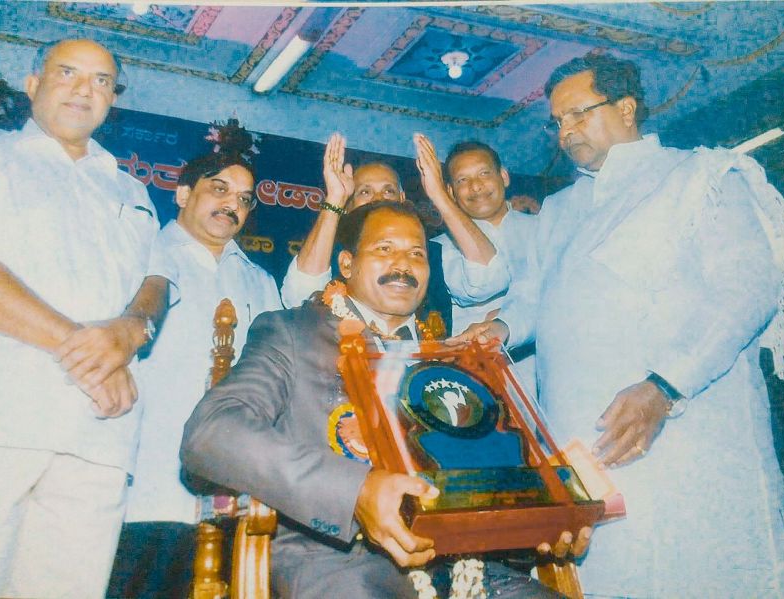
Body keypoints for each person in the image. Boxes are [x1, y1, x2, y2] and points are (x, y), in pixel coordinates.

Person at [455, 52, 784, 597]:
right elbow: (533, 297)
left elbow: (748, 289)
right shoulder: (561, 208)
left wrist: (664, 388)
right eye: (557, 122)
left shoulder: (700, 175)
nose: (565, 132)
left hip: (686, 437)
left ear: (628, 108)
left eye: (577, 114)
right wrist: (499, 331)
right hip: (588, 452)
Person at [180, 200, 581, 599]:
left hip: (473, 572)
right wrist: (357, 492)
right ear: (348, 264)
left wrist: (543, 524)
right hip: (339, 566)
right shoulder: (292, 333)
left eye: (417, 254)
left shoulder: (449, 359)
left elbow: (489, 485)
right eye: (384, 249)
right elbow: (211, 433)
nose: (403, 265)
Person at [0, 39, 167, 598]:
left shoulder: (131, 187)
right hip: (8, 420)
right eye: (68, 72)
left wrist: (130, 330)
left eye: (100, 81)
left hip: (100, 435)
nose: (84, 89)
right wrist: (92, 352)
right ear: (32, 83)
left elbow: (157, 282)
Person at [107, 128, 283, 597]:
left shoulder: (260, 281)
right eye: (219, 189)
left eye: (244, 199)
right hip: (144, 488)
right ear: (183, 193)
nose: (232, 205)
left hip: (231, 492)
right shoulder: (139, 258)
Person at [280, 133, 511, 335]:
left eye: (388, 190)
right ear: (348, 204)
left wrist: (439, 194)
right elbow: (299, 296)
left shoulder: (431, 253)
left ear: (402, 199)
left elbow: (489, 278)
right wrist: (334, 200)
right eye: (365, 192)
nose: (379, 199)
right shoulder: (331, 251)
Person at [417, 138, 538, 392]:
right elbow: (479, 285)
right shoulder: (438, 247)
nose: (476, 186)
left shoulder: (543, 228)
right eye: (462, 180)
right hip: (471, 377)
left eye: (484, 173)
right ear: (450, 191)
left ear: (503, 176)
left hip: (537, 374)